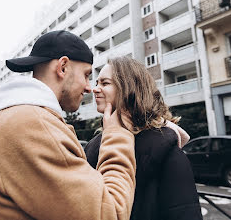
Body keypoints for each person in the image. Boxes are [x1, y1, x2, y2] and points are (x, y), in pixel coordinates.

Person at [0, 30, 136, 220]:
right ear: (63, 67)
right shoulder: (30, 124)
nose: (89, 87)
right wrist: (117, 134)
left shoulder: (21, 116)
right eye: (87, 75)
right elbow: (110, 212)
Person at [85, 57, 203, 220]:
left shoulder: (165, 147)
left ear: (129, 88)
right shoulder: (94, 145)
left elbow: (184, 212)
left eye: (104, 83)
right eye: (97, 83)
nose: (95, 89)